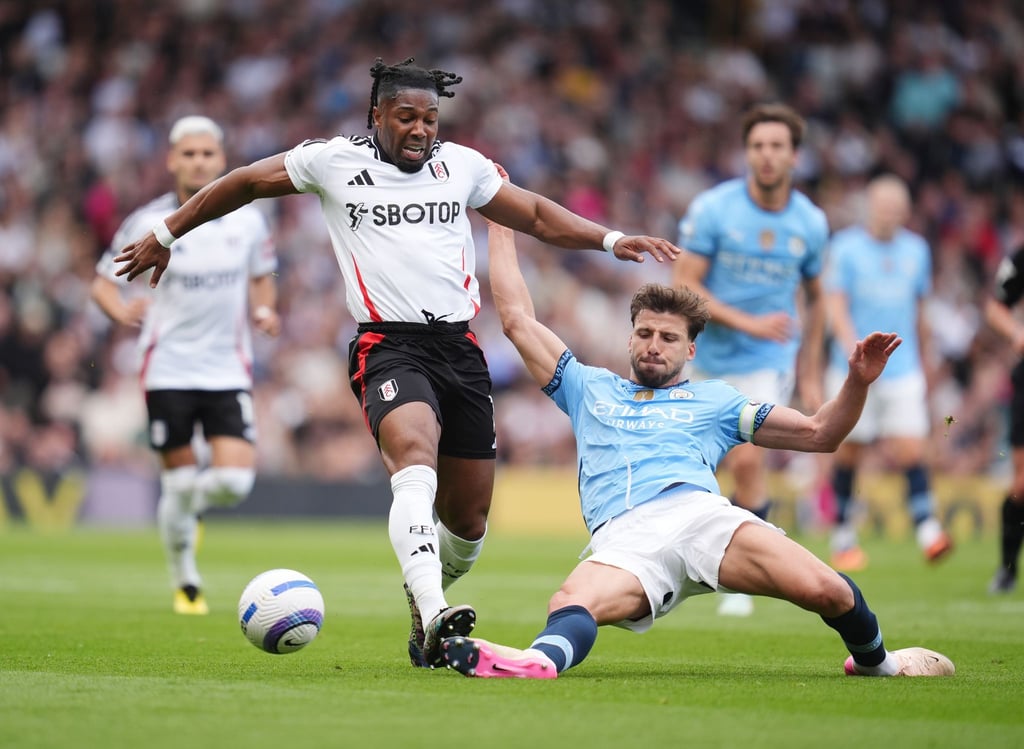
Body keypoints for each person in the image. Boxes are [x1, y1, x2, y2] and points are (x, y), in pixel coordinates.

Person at [112, 58, 679, 667]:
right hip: (387, 345)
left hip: (459, 349)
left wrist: (611, 239)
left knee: (468, 526)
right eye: (406, 117)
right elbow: (246, 181)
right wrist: (168, 234)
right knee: (413, 459)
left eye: (430, 118)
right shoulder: (333, 161)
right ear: (376, 116)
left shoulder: (461, 166)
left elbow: (536, 215)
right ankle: (436, 614)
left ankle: (423, 607)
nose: (420, 129)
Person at [437, 208, 954, 680]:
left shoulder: (718, 401)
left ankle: (879, 665)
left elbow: (821, 435)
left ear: (690, 348)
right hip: (626, 536)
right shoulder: (588, 387)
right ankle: (535, 662)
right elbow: (518, 321)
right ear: (630, 338)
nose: (653, 346)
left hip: (702, 518)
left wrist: (858, 382)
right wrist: (502, 224)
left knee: (829, 591)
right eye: (644, 334)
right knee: (570, 599)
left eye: (667, 338)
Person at [91, 115, 281, 615]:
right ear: (172, 160)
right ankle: (186, 581)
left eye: (208, 154)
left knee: (232, 484)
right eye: (189, 154)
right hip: (168, 368)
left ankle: (181, 506)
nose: (199, 161)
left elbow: (263, 276)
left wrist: (264, 309)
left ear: (222, 160)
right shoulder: (145, 223)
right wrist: (121, 311)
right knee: (177, 480)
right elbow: (102, 284)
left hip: (227, 368)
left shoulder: (248, 220)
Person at [671, 103, 829, 616]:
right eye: (758, 146)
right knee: (688, 466)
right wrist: (747, 320)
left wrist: (809, 374)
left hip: (767, 358)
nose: (766, 155)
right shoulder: (715, 209)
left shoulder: (811, 222)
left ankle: (741, 585)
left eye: (776, 146)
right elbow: (684, 282)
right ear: (747, 153)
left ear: (794, 156)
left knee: (747, 457)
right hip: (706, 353)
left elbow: (818, 298)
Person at [824, 175, 953, 571]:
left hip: (903, 365)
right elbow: (835, 303)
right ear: (869, 208)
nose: (889, 214)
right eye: (883, 206)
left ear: (906, 211)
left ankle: (927, 528)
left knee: (911, 447)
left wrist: (927, 361)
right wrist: (852, 347)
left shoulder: (916, 251)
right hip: (853, 367)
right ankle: (844, 532)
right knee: (849, 451)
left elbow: (918, 312)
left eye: (896, 207)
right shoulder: (845, 247)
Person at [985, 244, 1024, 593]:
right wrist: (1016, 333)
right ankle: (1008, 568)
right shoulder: (1019, 258)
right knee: (1022, 485)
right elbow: (996, 306)